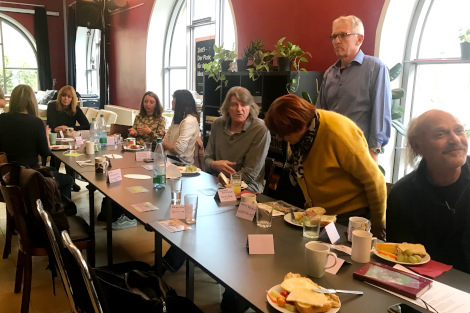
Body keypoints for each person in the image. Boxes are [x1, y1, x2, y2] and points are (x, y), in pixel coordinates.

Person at [265, 94, 386, 239]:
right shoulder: (301, 139)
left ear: (300, 126)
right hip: (320, 214)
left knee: (333, 258)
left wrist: (379, 226)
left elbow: (375, 180)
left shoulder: (337, 133)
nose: (280, 138)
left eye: (283, 134)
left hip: (349, 216)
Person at [387, 110, 470, 273]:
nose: (455, 139)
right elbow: (403, 262)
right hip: (426, 287)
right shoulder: (402, 195)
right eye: (441, 134)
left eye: (459, 130)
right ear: (417, 145)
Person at [316, 15, 391, 163]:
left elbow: (381, 113)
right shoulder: (329, 74)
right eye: (334, 36)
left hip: (360, 154)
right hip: (330, 153)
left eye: (343, 35)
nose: (337, 41)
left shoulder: (375, 68)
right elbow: (320, 114)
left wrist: (374, 152)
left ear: (359, 39)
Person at [0, 84, 73, 199]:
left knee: (53, 170)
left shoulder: (2, 119)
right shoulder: (36, 123)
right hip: (29, 176)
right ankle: (55, 210)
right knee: (68, 180)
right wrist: (46, 136)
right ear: (31, 101)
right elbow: (45, 153)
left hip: (6, 175)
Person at [204, 86, 271, 193]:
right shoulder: (218, 124)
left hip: (246, 190)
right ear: (227, 107)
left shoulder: (260, 129)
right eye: (234, 104)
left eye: (244, 104)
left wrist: (226, 184)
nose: (239, 109)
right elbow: (206, 158)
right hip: (217, 184)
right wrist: (214, 165)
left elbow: (249, 174)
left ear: (250, 107)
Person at [47, 85, 90, 192]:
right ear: (60, 97)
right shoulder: (52, 107)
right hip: (55, 138)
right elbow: (50, 125)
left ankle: (71, 181)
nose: (66, 99)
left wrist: (69, 128)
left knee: (71, 159)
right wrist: (56, 128)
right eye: (64, 96)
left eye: (69, 97)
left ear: (72, 99)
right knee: (56, 158)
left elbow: (87, 125)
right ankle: (52, 182)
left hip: (70, 139)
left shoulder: (76, 109)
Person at [162, 90, 200, 164]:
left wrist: (166, 145)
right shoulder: (176, 119)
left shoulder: (189, 121)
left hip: (181, 163)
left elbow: (178, 150)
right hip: (169, 159)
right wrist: (167, 145)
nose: (172, 101)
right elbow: (165, 139)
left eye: (174, 98)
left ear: (180, 101)